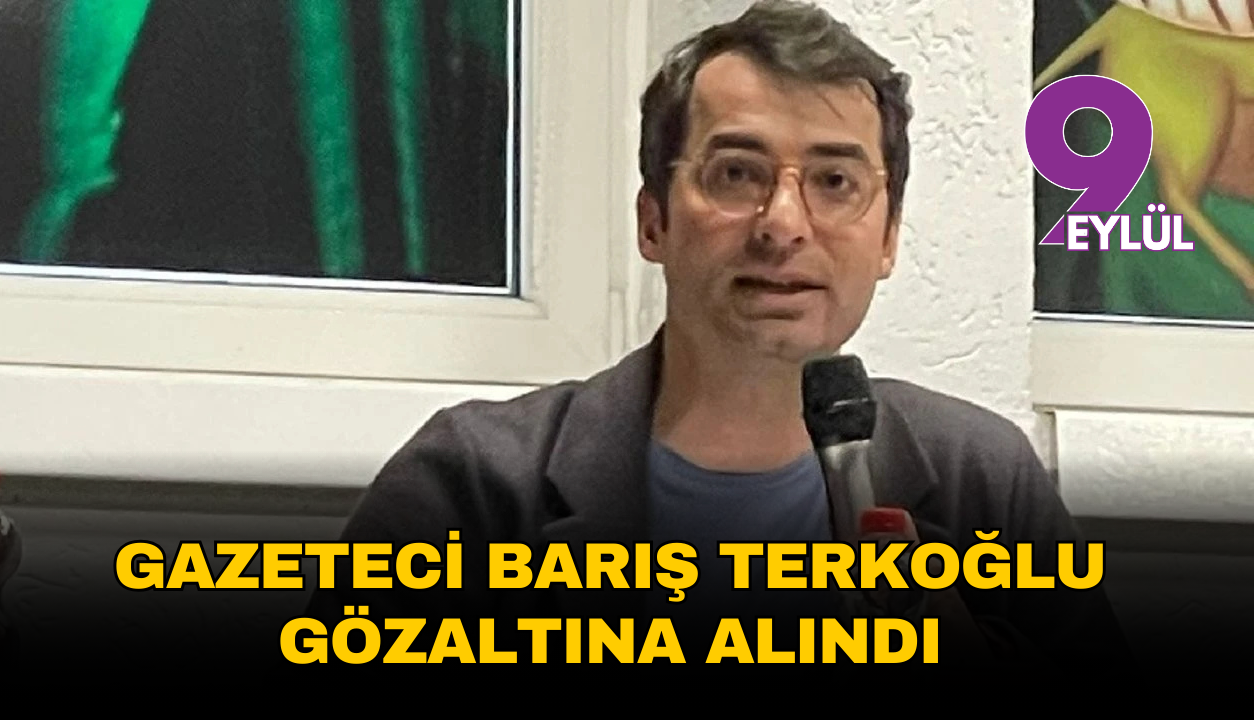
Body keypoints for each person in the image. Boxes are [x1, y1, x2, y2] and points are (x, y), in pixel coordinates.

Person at [306, 0, 1130, 664]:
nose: (783, 224)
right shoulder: (472, 487)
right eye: (737, 173)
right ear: (653, 221)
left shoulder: (981, 482)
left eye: (835, 181)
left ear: (887, 238)